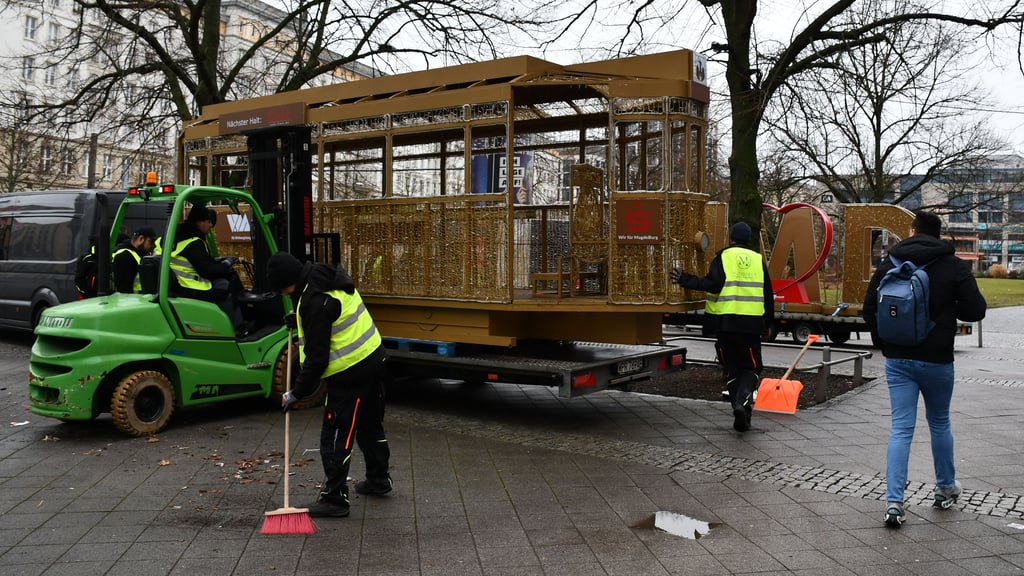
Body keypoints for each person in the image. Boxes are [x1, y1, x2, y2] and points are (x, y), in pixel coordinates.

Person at [863, 211, 986, 528]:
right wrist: (947, 309)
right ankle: (945, 489)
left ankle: (893, 503)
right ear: (939, 234)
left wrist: (886, 341)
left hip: (898, 359)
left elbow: (868, 309)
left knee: (901, 428)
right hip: (938, 358)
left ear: (912, 230)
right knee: (940, 422)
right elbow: (976, 310)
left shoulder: (891, 262)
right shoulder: (953, 265)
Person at [267, 251, 392, 518]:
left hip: (350, 372)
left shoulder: (314, 301)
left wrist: (296, 393)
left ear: (287, 282)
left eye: (282, 289)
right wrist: (298, 320)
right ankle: (379, 479)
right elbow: (329, 317)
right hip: (374, 357)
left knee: (336, 434)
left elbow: (316, 360)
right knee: (369, 425)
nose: (283, 294)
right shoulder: (323, 275)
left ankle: (334, 499)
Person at [671, 221, 774, 432]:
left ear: (732, 239)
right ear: (748, 239)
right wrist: (768, 323)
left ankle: (739, 407)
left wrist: (685, 279)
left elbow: (713, 285)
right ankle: (743, 402)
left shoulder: (723, 257)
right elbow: (767, 295)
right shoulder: (757, 260)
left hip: (725, 324)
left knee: (732, 368)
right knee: (752, 368)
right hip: (751, 325)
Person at [168, 205, 243, 329]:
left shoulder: (174, 236)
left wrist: (216, 260)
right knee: (225, 286)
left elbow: (198, 261)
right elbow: (208, 271)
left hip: (177, 283)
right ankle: (236, 327)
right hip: (190, 286)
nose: (210, 226)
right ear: (199, 222)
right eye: (208, 222)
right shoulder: (193, 242)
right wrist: (226, 264)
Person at [112, 226, 157, 293]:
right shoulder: (125, 256)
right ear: (141, 239)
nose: (153, 246)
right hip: (132, 301)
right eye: (151, 242)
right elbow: (123, 291)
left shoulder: (134, 255)